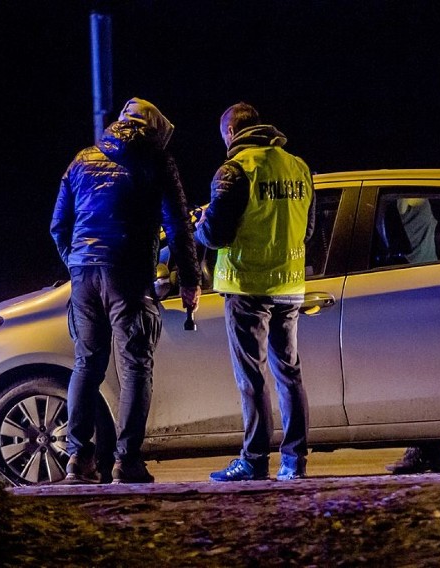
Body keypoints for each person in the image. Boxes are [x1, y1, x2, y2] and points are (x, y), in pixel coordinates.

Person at [50, 97, 201, 484]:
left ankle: (77, 460)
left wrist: (77, 261)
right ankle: (126, 462)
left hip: (84, 275)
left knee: (86, 364)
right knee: (135, 366)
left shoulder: (82, 159)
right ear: (154, 130)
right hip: (129, 274)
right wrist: (189, 281)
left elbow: (58, 225)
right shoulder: (155, 160)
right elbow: (180, 224)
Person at [195, 102, 315, 482]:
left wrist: (198, 227)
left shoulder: (234, 171)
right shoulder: (298, 166)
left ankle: (254, 459)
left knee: (252, 377)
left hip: (247, 286)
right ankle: (294, 461)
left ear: (231, 133)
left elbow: (215, 234)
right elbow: (308, 231)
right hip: (290, 284)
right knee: (289, 374)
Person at [384, 197, 440, 475]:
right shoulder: (422, 205)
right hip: (422, 291)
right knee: (419, 376)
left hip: (410, 293)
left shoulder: (406, 205)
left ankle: (426, 451)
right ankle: (429, 452)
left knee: (412, 376)